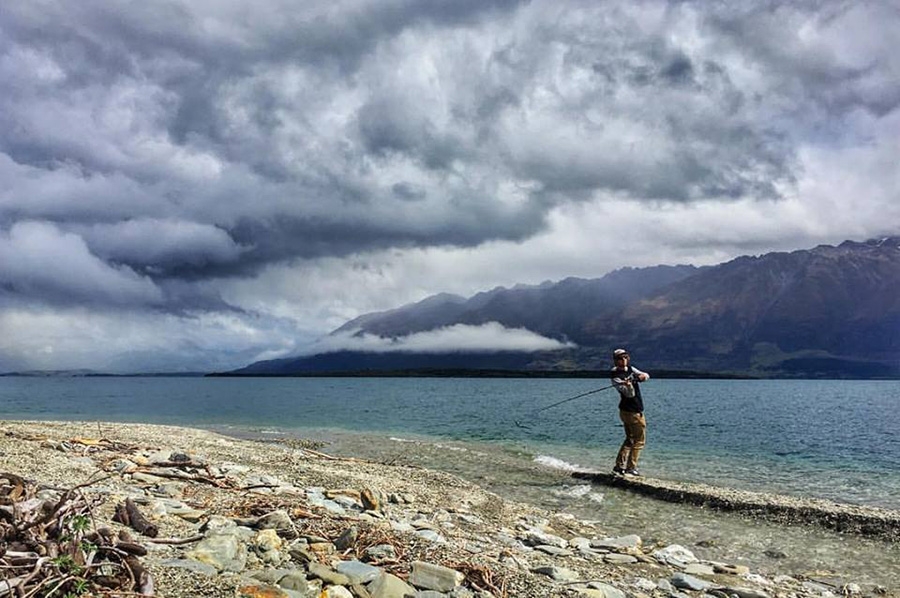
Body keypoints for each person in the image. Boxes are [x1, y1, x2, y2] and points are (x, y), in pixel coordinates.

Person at [609, 348, 650, 476]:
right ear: (616, 361)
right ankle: (631, 468)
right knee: (639, 440)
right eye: (621, 358)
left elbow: (646, 375)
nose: (624, 360)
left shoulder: (631, 369)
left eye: (626, 357)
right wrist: (628, 385)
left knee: (630, 439)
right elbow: (630, 394)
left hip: (626, 411)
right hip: (632, 412)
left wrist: (642, 377)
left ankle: (619, 466)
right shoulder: (615, 377)